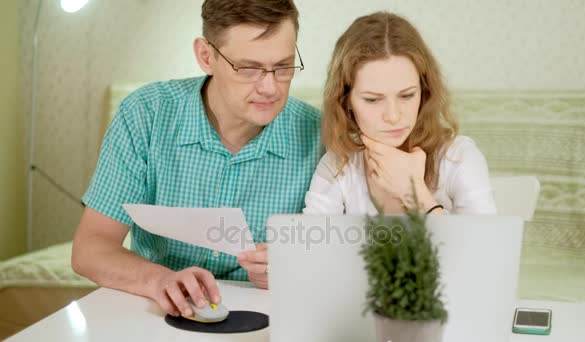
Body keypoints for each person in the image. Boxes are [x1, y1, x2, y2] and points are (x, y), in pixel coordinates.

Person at [72, 0, 321, 319]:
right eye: (248, 68)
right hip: (154, 314)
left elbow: (348, 262)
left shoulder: (321, 136)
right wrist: (159, 280)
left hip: (271, 319)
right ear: (206, 56)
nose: (270, 87)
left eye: (283, 66)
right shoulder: (146, 115)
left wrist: (296, 268)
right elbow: (90, 248)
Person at [303, 12, 496, 216]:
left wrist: (414, 194)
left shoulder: (458, 157)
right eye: (373, 100)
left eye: (407, 95)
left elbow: (485, 246)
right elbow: (310, 242)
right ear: (346, 100)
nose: (393, 116)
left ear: (424, 91)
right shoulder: (338, 164)